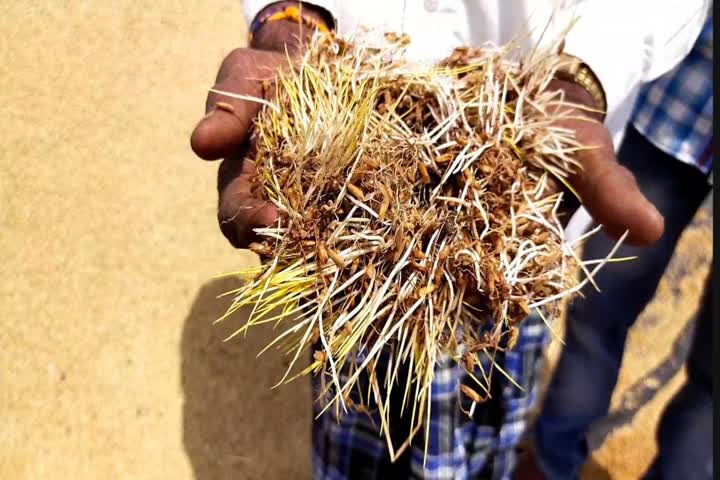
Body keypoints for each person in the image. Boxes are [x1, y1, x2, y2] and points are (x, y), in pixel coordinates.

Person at [189, 1, 708, 478]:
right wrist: (291, 18)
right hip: (355, 283)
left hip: (513, 230)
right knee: (354, 425)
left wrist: (581, 74)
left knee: (487, 426)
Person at [528, 16, 713, 480]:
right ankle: (550, 464)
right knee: (595, 315)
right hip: (672, 119)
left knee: (711, 384)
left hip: (669, 120)